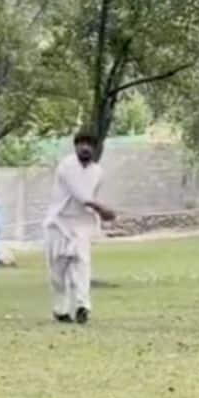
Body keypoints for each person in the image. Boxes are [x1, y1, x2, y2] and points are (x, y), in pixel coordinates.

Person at [44, 132, 114, 324]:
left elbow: (89, 197)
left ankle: (83, 306)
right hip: (58, 223)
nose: (85, 147)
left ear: (95, 148)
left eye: (90, 144)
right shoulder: (66, 166)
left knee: (82, 265)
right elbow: (81, 195)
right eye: (81, 144)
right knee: (58, 272)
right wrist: (102, 209)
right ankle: (61, 310)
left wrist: (100, 212)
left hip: (81, 225)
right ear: (75, 147)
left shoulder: (98, 172)